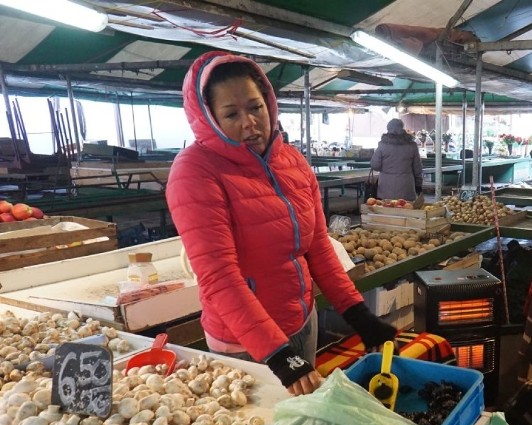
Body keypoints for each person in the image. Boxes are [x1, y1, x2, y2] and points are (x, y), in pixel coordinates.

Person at [167, 52, 396, 396]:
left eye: (255, 107)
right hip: (245, 343)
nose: (249, 122)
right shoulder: (195, 171)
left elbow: (317, 246)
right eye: (231, 114)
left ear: (269, 104)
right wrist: (277, 354)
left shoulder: (292, 161)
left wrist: (358, 314)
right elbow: (219, 277)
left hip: (302, 322)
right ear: (210, 118)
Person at [371, 118, 424, 207]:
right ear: (402, 128)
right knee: (405, 210)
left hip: (386, 186)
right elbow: (417, 168)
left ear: (388, 129)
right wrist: (418, 184)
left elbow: (375, 165)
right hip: (406, 186)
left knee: (386, 210)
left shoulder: (382, 145)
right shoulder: (412, 145)